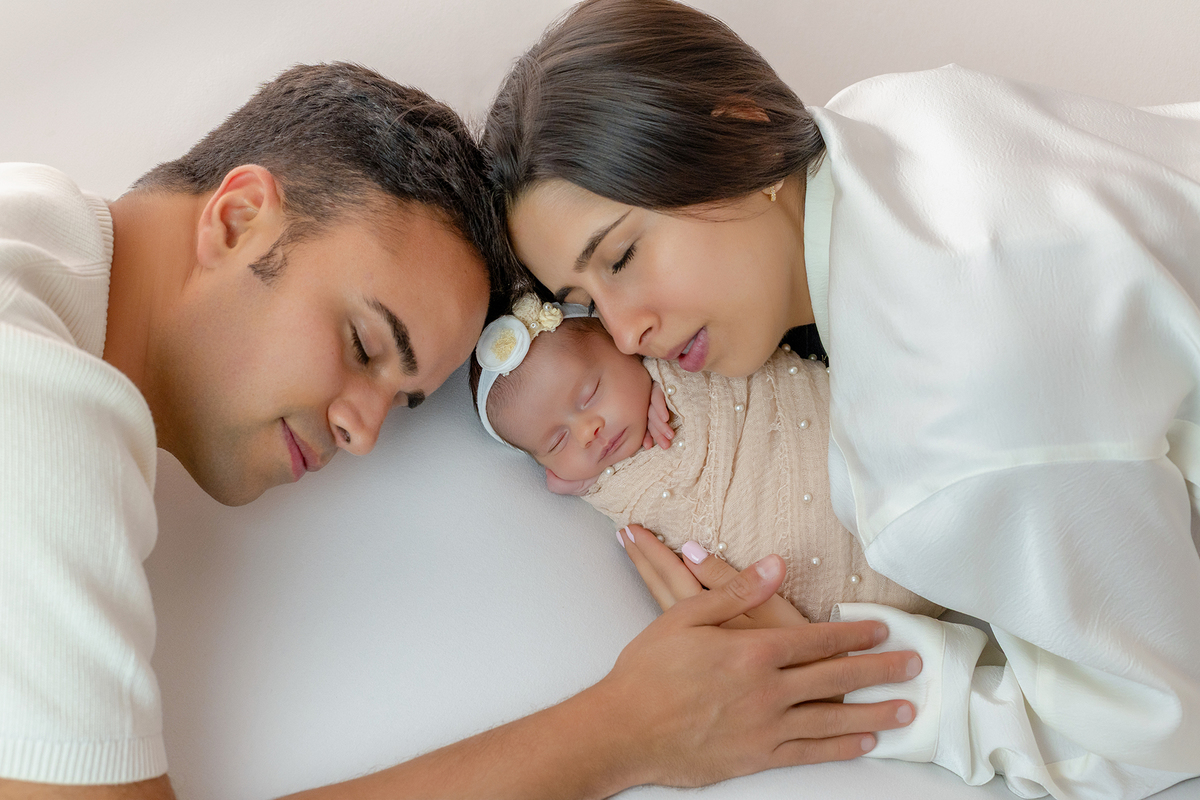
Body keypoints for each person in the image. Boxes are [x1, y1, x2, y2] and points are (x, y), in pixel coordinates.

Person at [0, 61, 922, 800]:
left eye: (404, 401)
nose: (361, 436)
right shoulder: (42, 395)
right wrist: (627, 732)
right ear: (240, 218)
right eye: (365, 343)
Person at [482, 0, 1200, 798]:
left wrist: (858, 677)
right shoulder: (903, 109)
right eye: (582, 299)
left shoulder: (942, 434)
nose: (624, 332)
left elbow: (1164, 725)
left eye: (620, 256)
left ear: (737, 127)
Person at [470, 298, 942, 623]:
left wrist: (663, 377)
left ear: (627, 350)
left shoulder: (676, 363)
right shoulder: (594, 484)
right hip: (850, 605)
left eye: (591, 393)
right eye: (556, 441)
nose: (587, 431)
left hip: (900, 468)